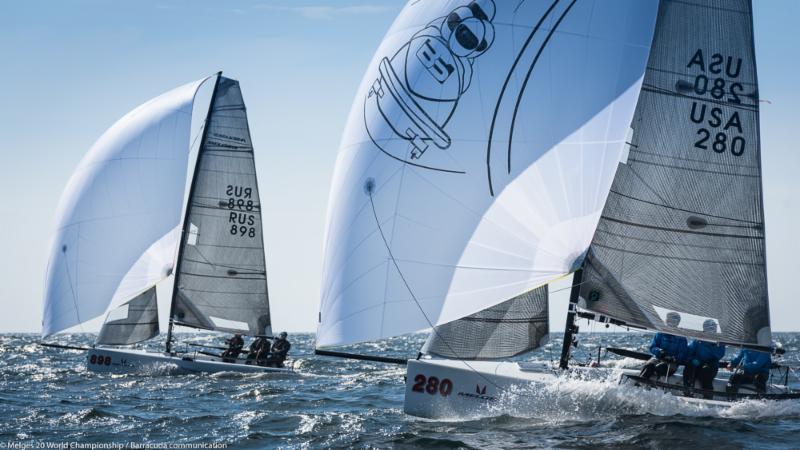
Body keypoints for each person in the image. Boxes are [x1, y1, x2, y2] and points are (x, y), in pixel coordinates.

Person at [683, 320, 725, 399]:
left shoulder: (719, 341)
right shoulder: (698, 340)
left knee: (705, 373)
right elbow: (689, 352)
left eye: (713, 328)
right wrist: (693, 359)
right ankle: (687, 392)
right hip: (697, 364)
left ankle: (708, 397)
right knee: (688, 368)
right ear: (704, 328)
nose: (711, 330)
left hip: (711, 365)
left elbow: (720, 354)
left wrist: (712, 345)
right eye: (709, 328)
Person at [639, 312, 688, 381]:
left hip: (672, 363)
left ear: (677, 322)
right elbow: (652, 347)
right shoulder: (660, 334)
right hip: (657, 358)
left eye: (672, 320)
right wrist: (659, 351)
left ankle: (660, 386)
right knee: (648, 366)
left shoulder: (681, 338)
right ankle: (640, 382)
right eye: (668, 320)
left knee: (661, 367)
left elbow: (683, 354)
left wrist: (674, 358)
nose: (668, 322)